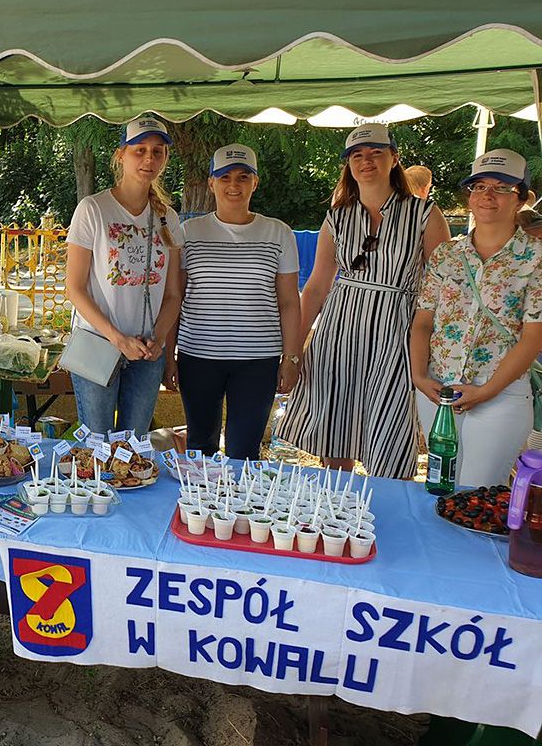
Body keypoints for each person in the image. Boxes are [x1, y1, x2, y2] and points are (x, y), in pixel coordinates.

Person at [278, 124, 451, 479]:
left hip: (397, 332)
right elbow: (317, 286)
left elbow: (443, 289)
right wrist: (293, 352)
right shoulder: (337, 216)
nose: (366, 161)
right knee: (335, 433)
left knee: (390, 433)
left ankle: (387, 509)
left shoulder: (424, 213)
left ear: (394, 158)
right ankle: (336, 506)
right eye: (357, 155)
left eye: (375, 153)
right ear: (348, 164)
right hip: (340, 331)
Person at [411, 149, 542, 486]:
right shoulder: (447, 254)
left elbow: (533, 338)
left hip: (501, 394)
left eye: (501, 188)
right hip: (439, 391)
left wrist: (486, 391)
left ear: (521, 199)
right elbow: (423, 321)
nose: (487, 195)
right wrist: (419, 376)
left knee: (475, 492)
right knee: (439, 488)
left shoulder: (536, 257)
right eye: (479, 186)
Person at [163, 144, 302, 458]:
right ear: (211, 183)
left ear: (255, 182)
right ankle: (200, 494)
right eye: (224, 177)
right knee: (200, 448)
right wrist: (168, 356)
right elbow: (174, 299)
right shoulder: (188, 233)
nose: (234, 185)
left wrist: (291, 358)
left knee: (244, 451)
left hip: (258, 360)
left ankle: (240, 494)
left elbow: (289, 302)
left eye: (243, 177)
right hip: (198, 356)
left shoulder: (278, 233)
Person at [65, 117, 183, 435]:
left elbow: (173, 294)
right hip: (98, 343)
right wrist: (117, 339)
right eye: (139, 150)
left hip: (147, 349)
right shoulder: (93, 209)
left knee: (134, 444)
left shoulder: (168, 218)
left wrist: (159, 339)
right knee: (97, 442)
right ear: (121, 155)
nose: (149, 159)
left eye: (157, 151)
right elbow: (74, 288)